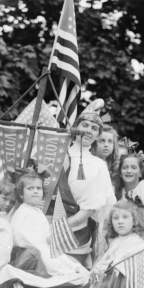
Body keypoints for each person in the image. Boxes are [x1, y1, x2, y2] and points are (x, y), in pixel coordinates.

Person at [50, 99, 116, 267]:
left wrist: (59, 228)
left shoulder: (97, 165)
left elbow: (89, 210)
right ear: (76, 127)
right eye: (85, 125)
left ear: (97, 136)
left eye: (94, 129)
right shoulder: (55, 153)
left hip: (73, 235)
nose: (88, 131)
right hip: (43, 224)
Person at [9, 172, 84, 276]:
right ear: (21, 194)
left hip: (40, 248)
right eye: (30, 188)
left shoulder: (37, 212)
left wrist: (48, 238)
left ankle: (73, 268)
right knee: (56, 264)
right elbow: (19, 236)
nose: (35, 191)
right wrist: (42, 244)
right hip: (29, 253)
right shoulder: (23, 212)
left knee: (66, 260)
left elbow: (45, 234)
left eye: (38, 188)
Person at [92, 201, 144, 273]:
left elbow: (117, 266)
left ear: (135, 221)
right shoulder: (114, 240)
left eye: (125, 217)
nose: (120, 221)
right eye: (116, 218)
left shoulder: (136, 242)